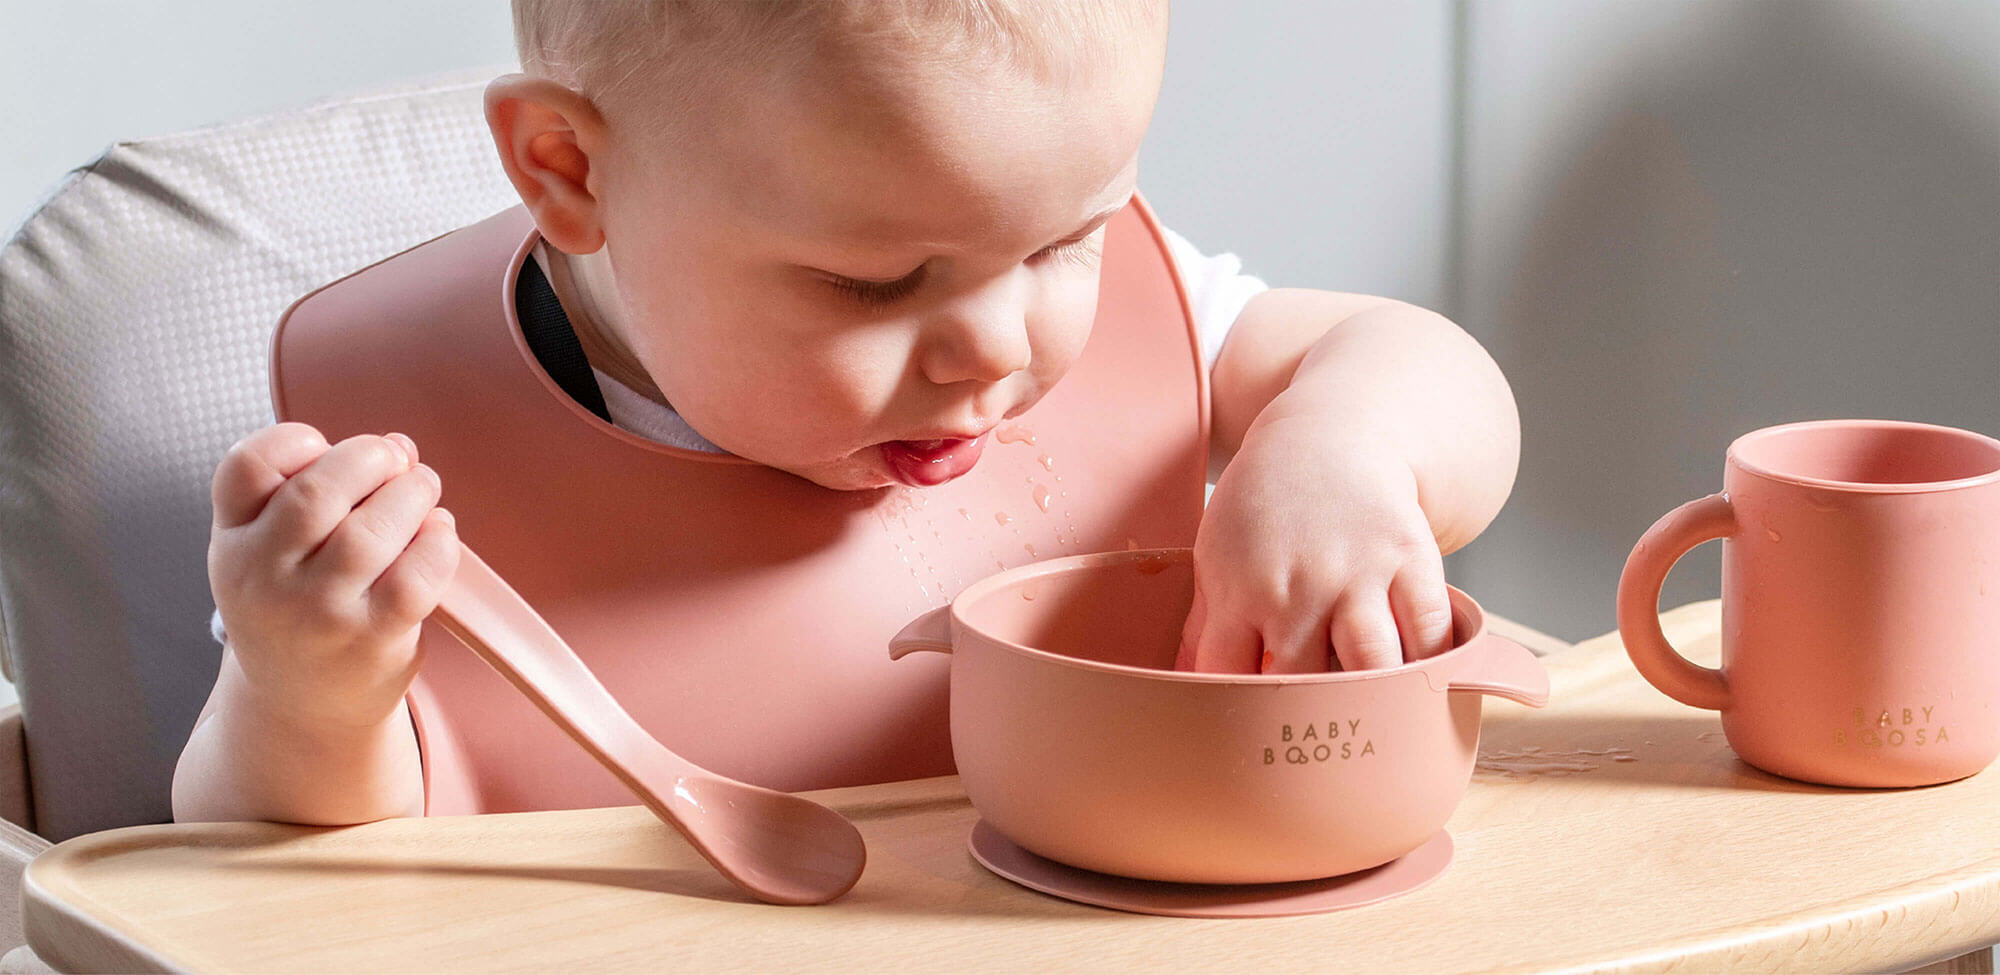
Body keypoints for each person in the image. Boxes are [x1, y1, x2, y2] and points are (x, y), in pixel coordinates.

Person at [173, 0, 1519, 825]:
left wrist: (1343, 450)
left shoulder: (1143, 336)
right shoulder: (397, 468)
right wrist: (311, 690)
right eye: (879, 283)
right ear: (569, 169)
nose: (996, 344)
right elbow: (277, 881)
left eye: (1068, 240)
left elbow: (1425, 372)